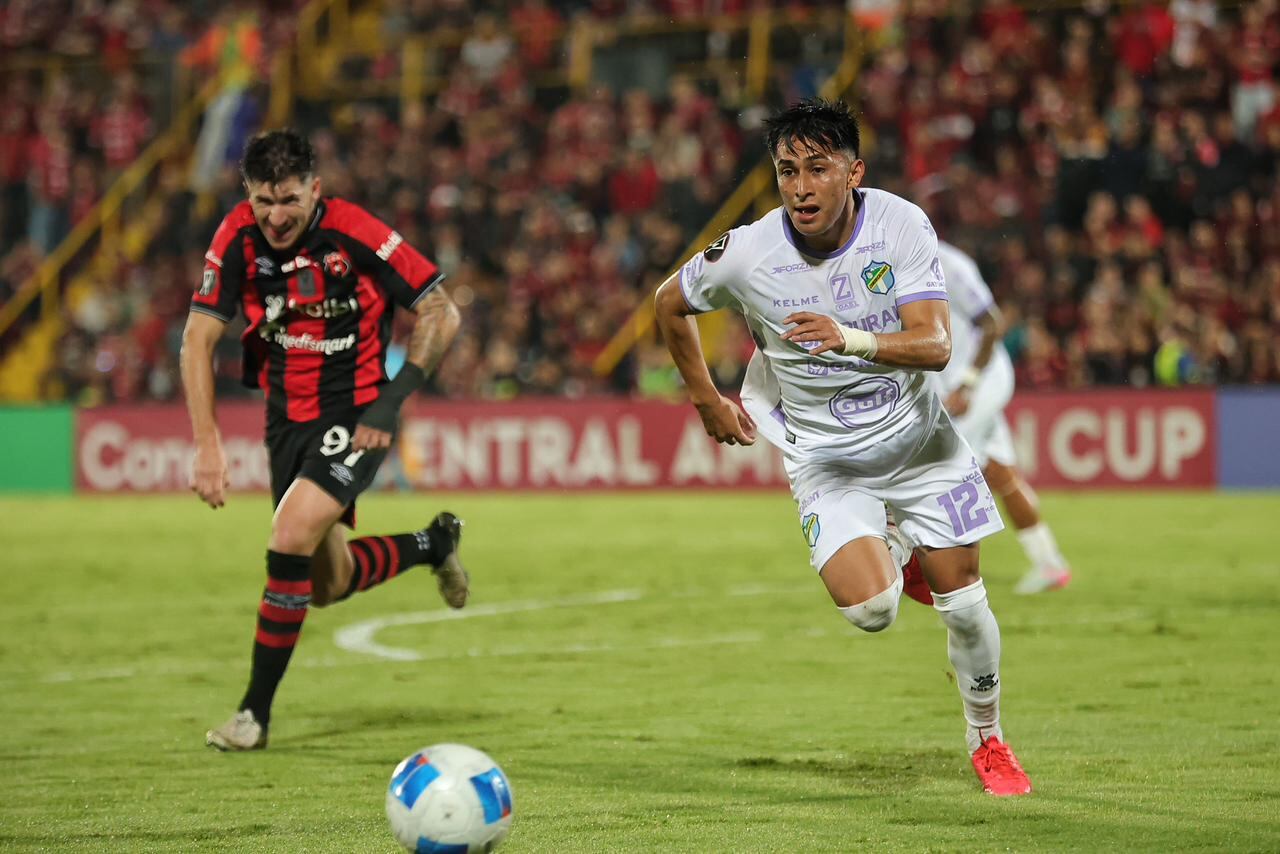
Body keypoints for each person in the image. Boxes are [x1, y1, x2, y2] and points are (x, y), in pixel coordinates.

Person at [653, 99, 1031, 796]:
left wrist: (849, 337)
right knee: (871, 611)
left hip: (920, 446)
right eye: (787, 170)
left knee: (968, 607)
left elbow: (938, 345)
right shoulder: (748, 253)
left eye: (817, 169)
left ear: (853, 172)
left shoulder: (902, 226)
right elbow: (667, 304)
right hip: (826, 458)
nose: (799, 187)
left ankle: (989, 742)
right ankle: (901, 552)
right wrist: (706, 397)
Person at [182, 130, 469, 751]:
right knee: (325, 584)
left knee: (288, 536)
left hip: (358, 412)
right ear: (247, 195)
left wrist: (393, 401)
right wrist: (206, 443)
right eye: (264, 201)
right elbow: (197, 339)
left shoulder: (355, 231)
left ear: (315, 188)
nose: (277, 216)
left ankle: (252, 716)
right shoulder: (236, 237)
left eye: (289, 199)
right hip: (286, 421)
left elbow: (440, 309)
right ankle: (432, 543)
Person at [934, 240, 1072, 594]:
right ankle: (1050, 564)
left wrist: (967, 384)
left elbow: (991, 324)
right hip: (953, 389)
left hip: (980, 381)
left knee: (944, 467)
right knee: (999, 472)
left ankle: (957, 573)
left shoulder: (950, 264)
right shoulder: (886, 268)